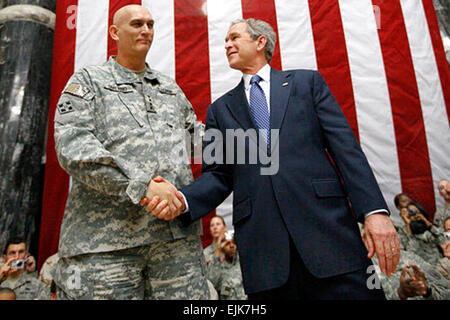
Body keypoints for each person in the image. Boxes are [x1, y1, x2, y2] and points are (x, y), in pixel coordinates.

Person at [145, 18, 400, 299]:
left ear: (260, 42)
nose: (227, 45)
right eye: (225, 41)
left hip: (330, 238)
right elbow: (218, 175)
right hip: (265, 255)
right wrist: (183, 200)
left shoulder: (307, 83)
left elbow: (346, 151)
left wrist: (375, 212)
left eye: (234, 38)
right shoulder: (220, 110)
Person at [52, 4, 208, 300]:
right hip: (106, 246)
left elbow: (198, 144)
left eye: (150, 24)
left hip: (175, 244)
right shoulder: (88, 81)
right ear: (114, 32)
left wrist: (261, 142)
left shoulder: (169, 88)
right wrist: (143, 186)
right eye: (137, 24)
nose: (146, 30)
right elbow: (73, 147)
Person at [207, 233, 247, 300]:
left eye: (233, 243)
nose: (232, 246)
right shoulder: (218, 268)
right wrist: (218, 251)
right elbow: (213, 283)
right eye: (227, 244)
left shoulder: (242, 263)